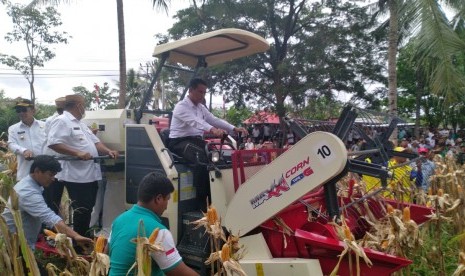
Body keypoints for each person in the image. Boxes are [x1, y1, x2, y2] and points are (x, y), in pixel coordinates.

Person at [46, 94, 119, 237]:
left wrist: (109, 151)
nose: (84, 108)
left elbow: (96, 142)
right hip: (76, 176)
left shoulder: (80, 123)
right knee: (81, 210)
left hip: (90, 174)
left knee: (87, 208)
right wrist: (77, 153)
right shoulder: (62, 121)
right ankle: (78, 243)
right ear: (77, 105)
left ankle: (82, 238)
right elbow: (53, 143)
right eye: (83, 105)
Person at [109, 172, 198, 276]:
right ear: (159, 199)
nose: (166, 206)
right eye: (167, 199)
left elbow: (108, 252)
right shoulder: (159, 232)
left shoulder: (118, 220)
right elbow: (178, 272)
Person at [2, 155, 93, 250]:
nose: (53, 178)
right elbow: (49, 217)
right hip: (14, 246)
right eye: (51, 174)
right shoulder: (27, 192)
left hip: (22, 244)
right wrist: (75, 236)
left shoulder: (32, 184)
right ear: (37, 171)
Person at [8, 98, 46, 181]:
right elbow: (11, 144)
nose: (21, 113)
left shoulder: (45, 125)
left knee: (47, 193)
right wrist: (24, 151)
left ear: (33, 111)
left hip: (45, 171)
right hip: (25, 171)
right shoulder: (13, 129)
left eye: (24, 110)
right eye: (18, 110)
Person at [42, 97, 66, 214]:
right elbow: (53, 142)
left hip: (66, 164)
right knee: (52, 198)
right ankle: (51, 227)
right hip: (54, 162)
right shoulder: (52, 120)